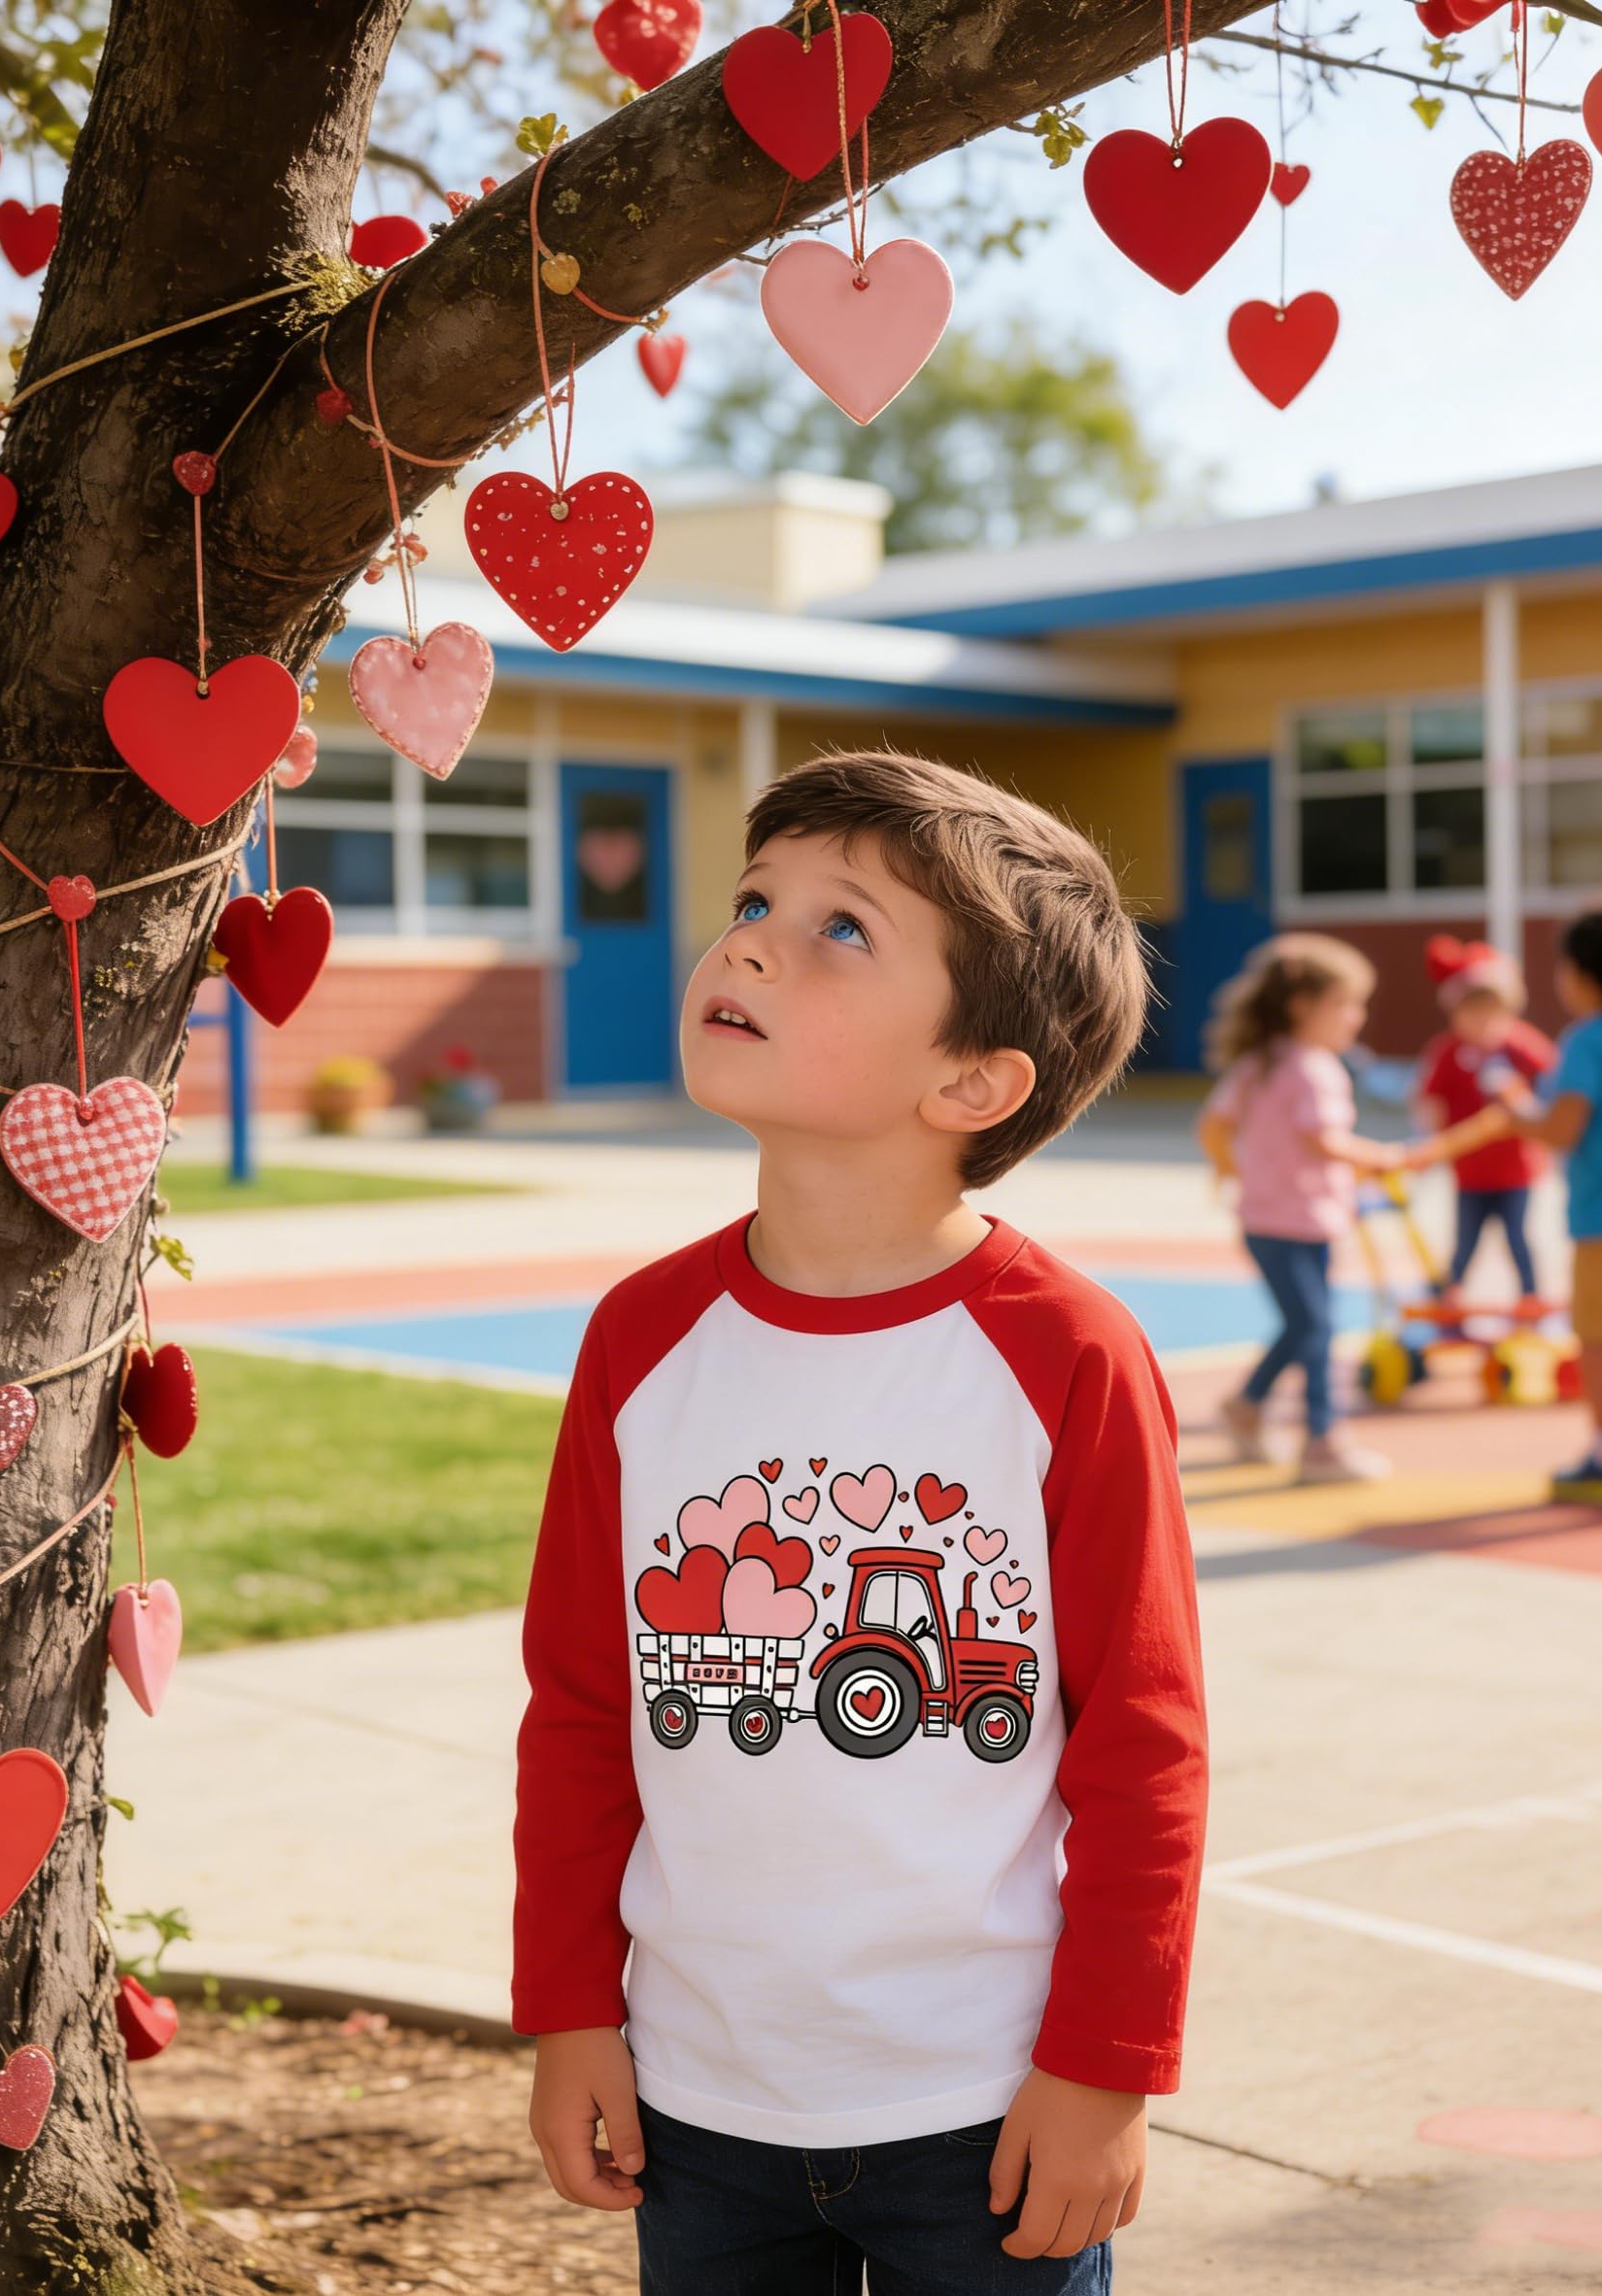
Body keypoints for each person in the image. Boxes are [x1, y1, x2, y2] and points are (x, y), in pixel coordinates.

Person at [513, 750, 1208, 2295]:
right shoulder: (639, 1338)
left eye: (842, 930)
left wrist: (1107, 2069)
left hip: (984, 2111)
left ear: (970, 1082)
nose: (745, 939)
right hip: (695, 2102)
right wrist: (572, 2011)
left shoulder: (1067, 1352)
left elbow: (1142, 1743)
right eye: (757, 901)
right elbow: (578, 1707)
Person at [1196, 933, 1413, 1482]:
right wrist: (1381, 1157)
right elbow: (1325, 1139)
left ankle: (1247, 1406)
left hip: (1268, 1221)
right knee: (1314, 1327)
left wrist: (1233, 1171)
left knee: (1303, 1325)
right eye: (1345, 1004)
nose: (1356, 1018)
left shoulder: (1259, 1064)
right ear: (1302, 1007)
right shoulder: (1315, 1068)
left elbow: (1214, 1126)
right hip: (1297, 1223)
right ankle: (1323, 1440)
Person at [1493, 904, 1602, 1503]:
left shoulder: (1587, 1041)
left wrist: (1521, 1115)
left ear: (1585, 975)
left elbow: (1563, 1128)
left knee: (1595, 1339)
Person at [1413, 934, 1554, 1300]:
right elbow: (1430, 1101)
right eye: (1471, 1012)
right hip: (1469, 1169)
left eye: (1491, 1012)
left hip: (1515, 1169)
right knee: (1465, 1239)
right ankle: (1447, 1296)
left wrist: (1527, 1107)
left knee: (1518, 1238)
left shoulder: (1522, 1046)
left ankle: (1530, 1297)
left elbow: (1555, 1089)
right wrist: (1432, 1140)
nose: (1481, 1022)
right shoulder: (1448, 1052)